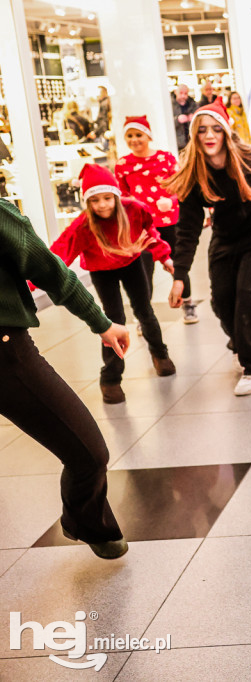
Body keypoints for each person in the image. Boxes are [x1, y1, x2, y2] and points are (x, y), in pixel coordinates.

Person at [1, 198, 131, 559]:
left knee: (88, 454)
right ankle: (88, 523)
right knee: (89, 455)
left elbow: (50, 271)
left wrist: (101, 322)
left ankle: (86, 522)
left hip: (7, 355)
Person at [163, 101, 251, 396]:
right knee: (221, 300)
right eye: (202, 130)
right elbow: (187, 230)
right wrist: (179, 276)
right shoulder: (195, 173)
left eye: (216, 129)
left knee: (248, 293)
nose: (209, 135)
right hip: (225, 238)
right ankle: (241, 344)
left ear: (226, 132)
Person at [50, 164, 176, 404]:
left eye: (107, 198)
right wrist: (30, 282)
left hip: (131, 263)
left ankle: (161, 355)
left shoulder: (135, 209)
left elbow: (150, 232)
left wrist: (164, 256)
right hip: (101, 271)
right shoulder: (82, 225)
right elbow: (58, 254)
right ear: (87, 202)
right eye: (95, 200)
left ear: (116, 196)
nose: (102, 205)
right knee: (112, 319)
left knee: (144, 311)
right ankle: (111, 378)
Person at [115, 115, 198, 324]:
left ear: (148, 136)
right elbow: (122, 195)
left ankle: (188, 303)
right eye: (130, 136)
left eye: (139, 134)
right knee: (143, 271)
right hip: (141, 226)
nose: (134, 139)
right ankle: (144, 314)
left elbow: (181, 186)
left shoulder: (165, 158)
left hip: (169, 221)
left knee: (177, 263)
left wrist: (171, 200)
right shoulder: (123, 164)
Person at [171, 84, 198, 152]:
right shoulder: (170, 105)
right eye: (181, 93)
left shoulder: (193, 104)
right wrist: (177, 120)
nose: (183, 96)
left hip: (192, 142)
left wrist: (194, 118)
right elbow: (165, 124)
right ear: (175, 92)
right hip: (177, 145)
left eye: (185, 93)